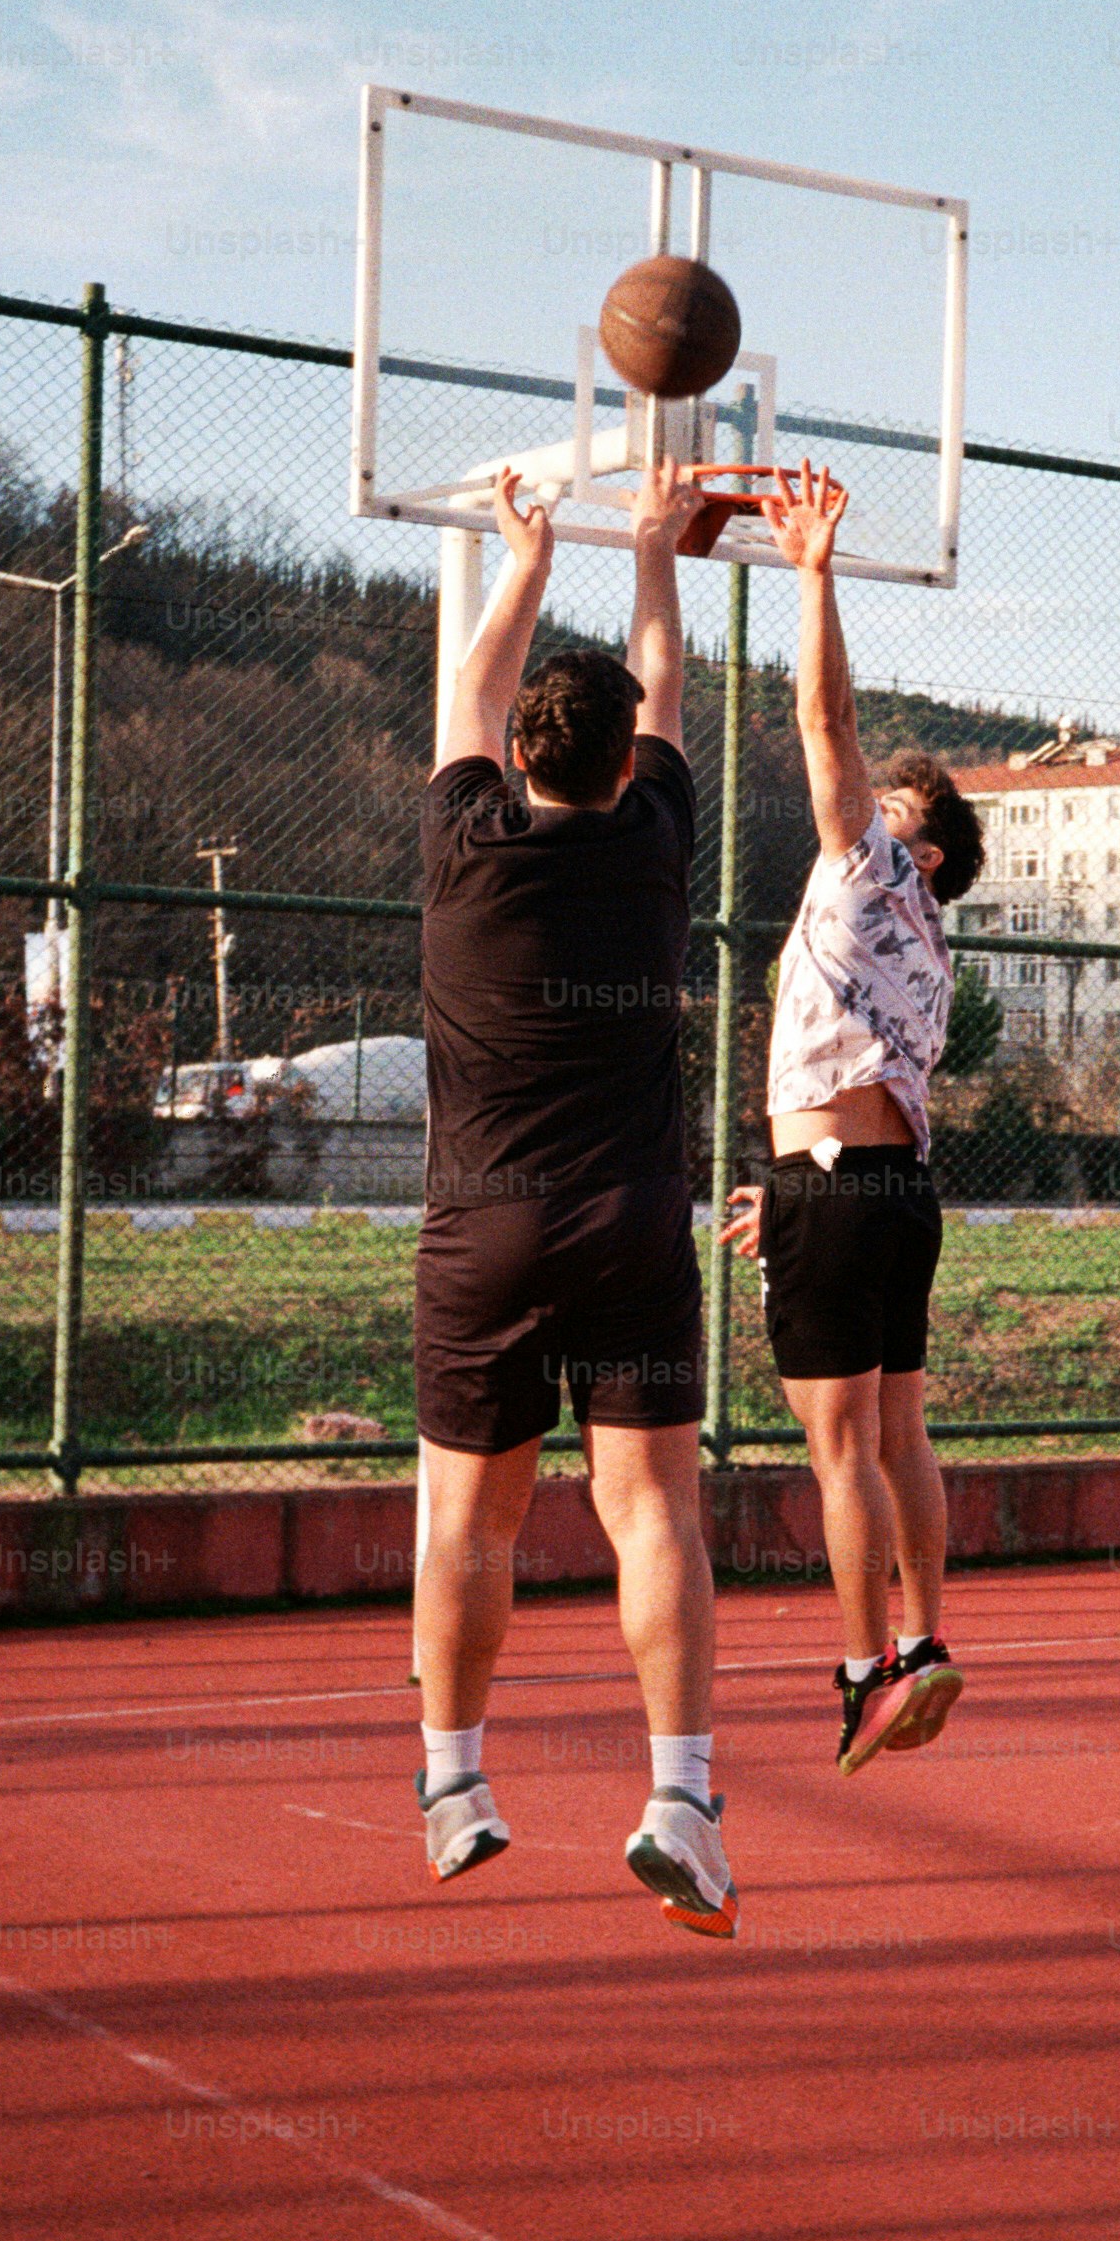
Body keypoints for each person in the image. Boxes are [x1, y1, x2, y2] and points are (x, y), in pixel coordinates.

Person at [410, 454, 736, 1939]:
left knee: (472, 1528)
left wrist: (521, 555)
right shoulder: (656, 845)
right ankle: (679, 1799)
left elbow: (470, 697)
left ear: (518, 763)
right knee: (652, 1513)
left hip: (481, 1231)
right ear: (620, 766)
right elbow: (663, 676)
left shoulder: (464, 851)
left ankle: (453, 1788)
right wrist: (656, 547)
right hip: (629, 1229)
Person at [723, 465, 986, 1774]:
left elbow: (824, 723)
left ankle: (867, 1667)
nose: (869, 810)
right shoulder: (931, 947)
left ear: (922, 853)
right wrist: (790, 1182)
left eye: (897, 812)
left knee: (839, 1453)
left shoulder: (876, 873)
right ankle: (925, 1642)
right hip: (881, 1191)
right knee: (898, 1434)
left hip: (836, 1191)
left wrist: (811, 572)